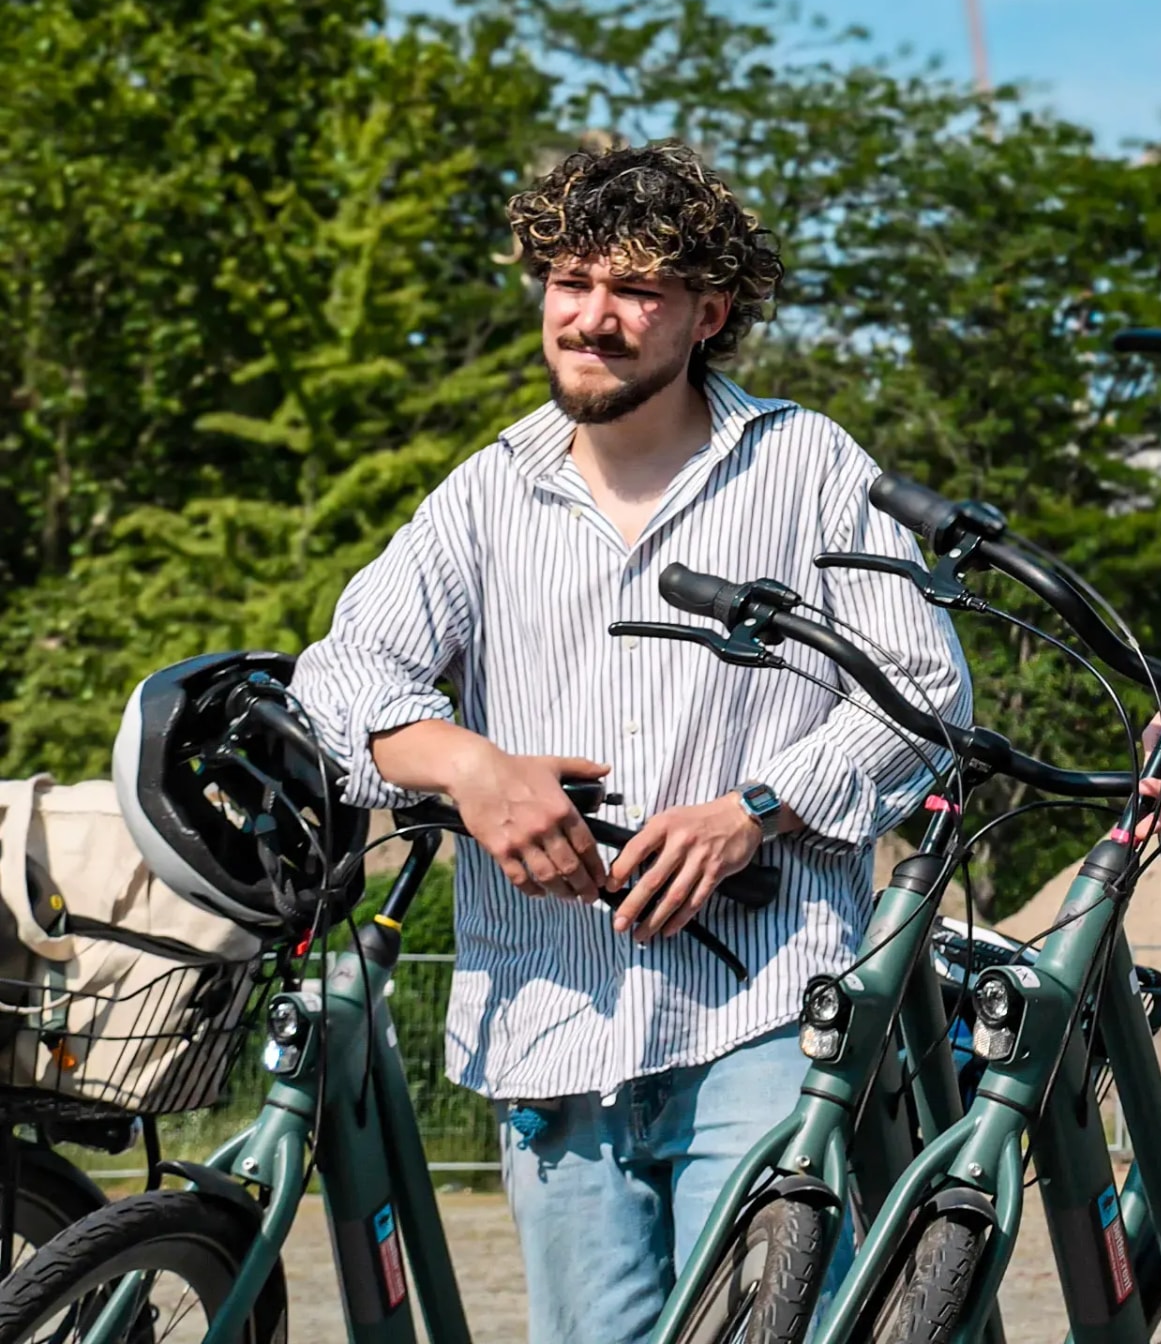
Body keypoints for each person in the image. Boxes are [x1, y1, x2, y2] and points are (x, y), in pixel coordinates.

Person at [292, 141, 966, 1344]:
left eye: (635, 290)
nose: (591, 318)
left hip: (761, 1013)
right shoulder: (485, 492)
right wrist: (470, 767)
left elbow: (926, 692)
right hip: (547, 1026)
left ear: (708, 313)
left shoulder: (808, 466)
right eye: (569, 281)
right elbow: (342, 675)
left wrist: (752, 810)